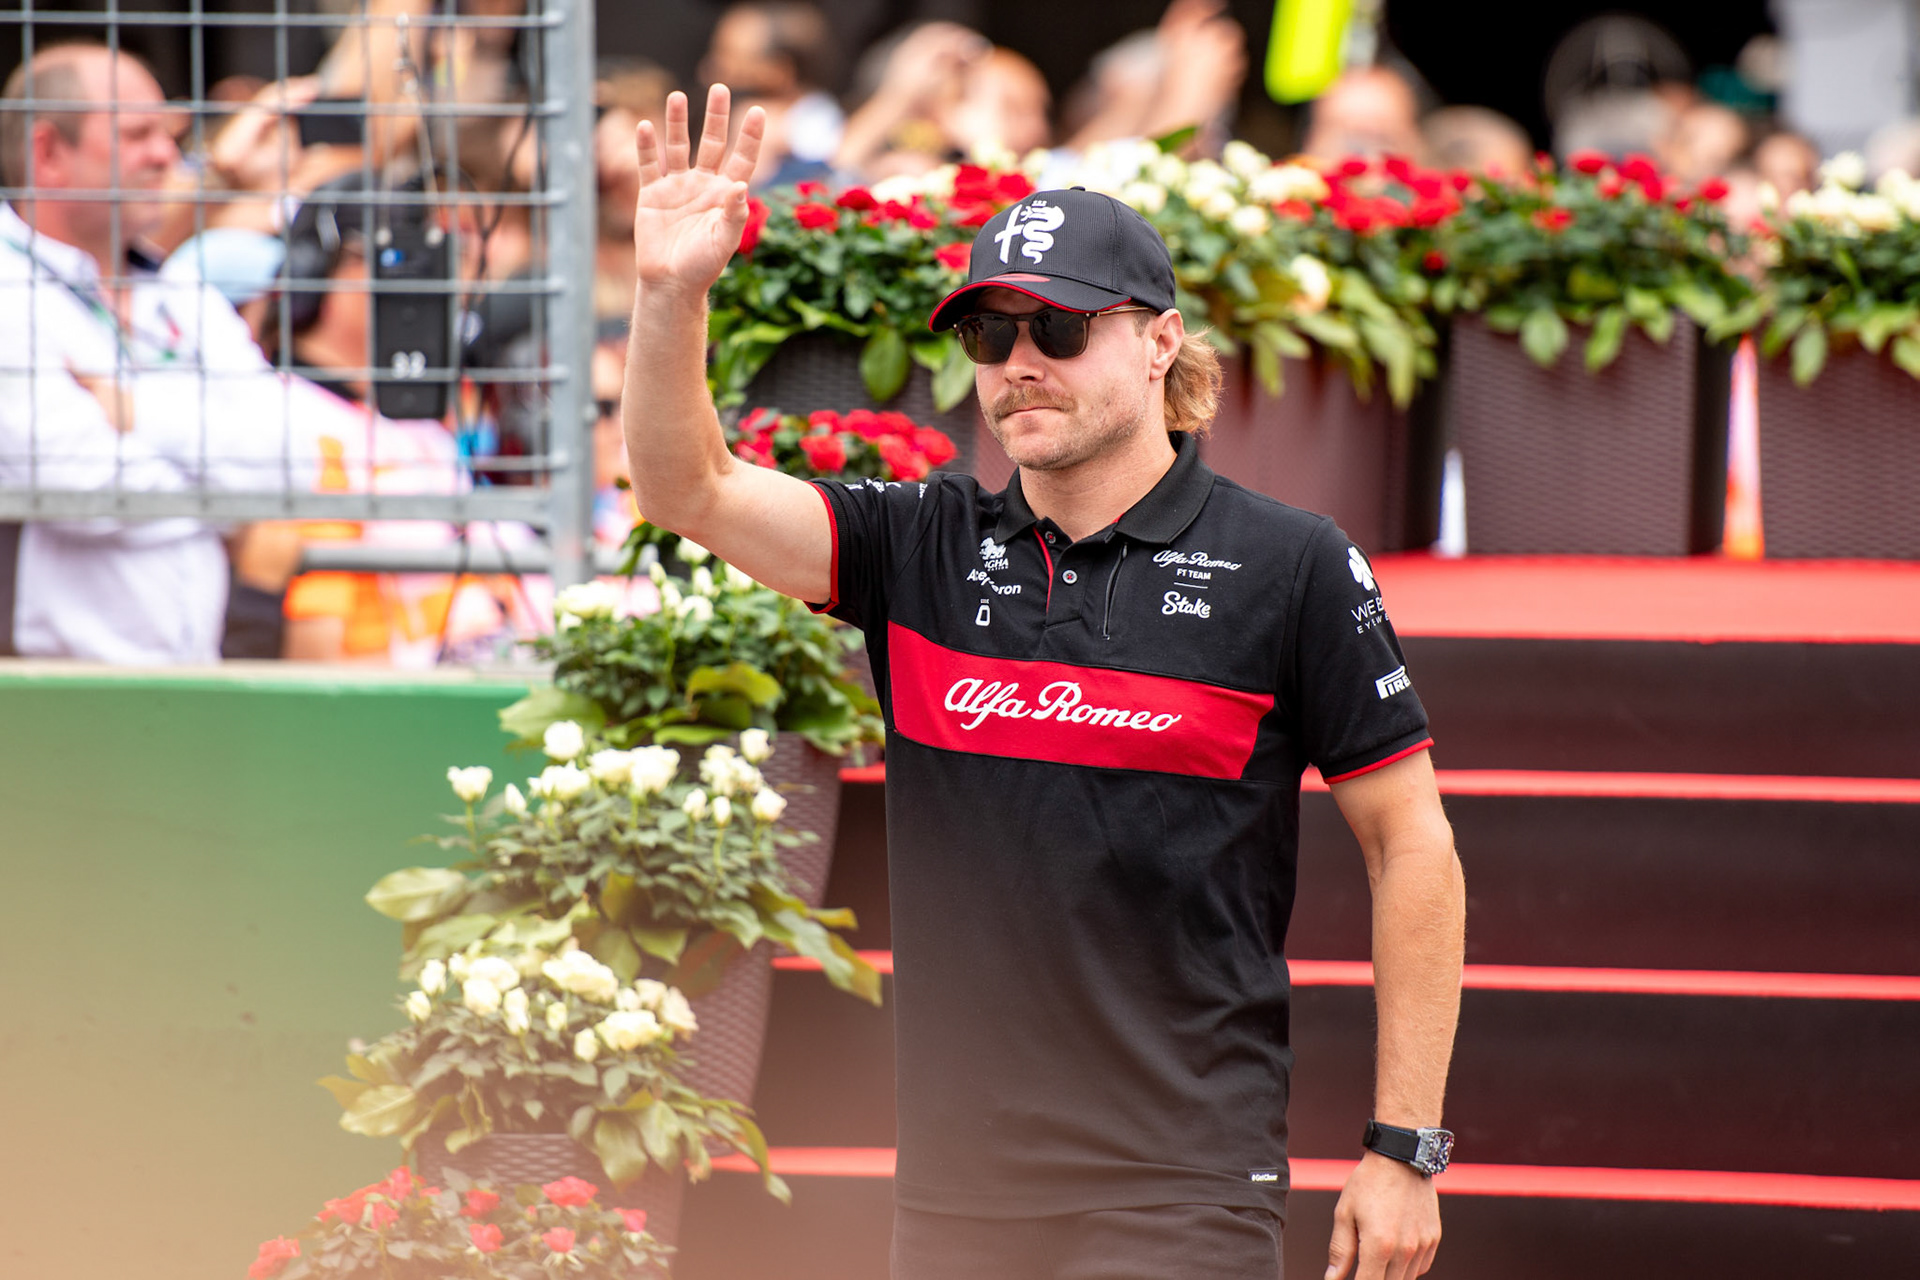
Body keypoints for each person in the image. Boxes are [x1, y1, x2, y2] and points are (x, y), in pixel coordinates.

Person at [623, 86, 1465, 1280]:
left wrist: (1405, 1145)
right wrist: (671, 293)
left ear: (1160, 341)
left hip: (1184, 1185)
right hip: (958, 1194)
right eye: (989, 334)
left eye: (1059, 328)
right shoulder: (918, 544)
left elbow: (1412, 843)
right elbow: (688, 487)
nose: (1019, 363)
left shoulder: (1291, 564)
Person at [0, 42, 320, 663]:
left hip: (196, 683)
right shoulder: (9, 287)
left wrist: (133, 411)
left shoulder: (181, 289)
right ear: (48, 153)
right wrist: (231, 507)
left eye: (167, 134)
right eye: (137, 134)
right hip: (46, 691)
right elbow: (80, 491)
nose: (167, 156)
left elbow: (292, 464)